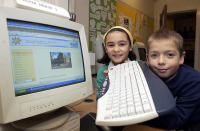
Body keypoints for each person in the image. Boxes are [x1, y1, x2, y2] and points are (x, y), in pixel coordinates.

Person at [145, 28, 200, 131]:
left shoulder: (194, 82)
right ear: (147, 59)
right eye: (154, 55)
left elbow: (174, 122)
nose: (161, 61)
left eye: (170, 55)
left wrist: (155, 90)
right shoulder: (148, 73)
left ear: (181, 58)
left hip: (190, 124)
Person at [96, 26, 137, 102]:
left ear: (130, 47)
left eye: (122, 44)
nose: (116, 49)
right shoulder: (102, 72)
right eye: (111, 45)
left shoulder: (140, 67)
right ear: (106, 49)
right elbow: (100, 102)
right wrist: (108, 87)